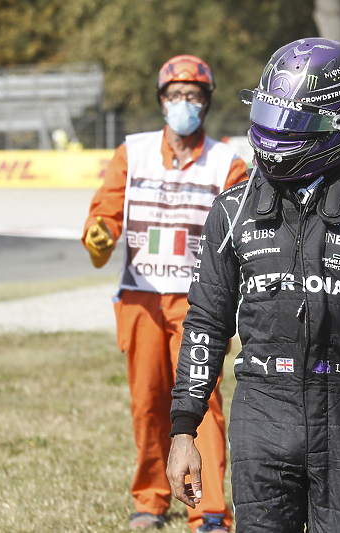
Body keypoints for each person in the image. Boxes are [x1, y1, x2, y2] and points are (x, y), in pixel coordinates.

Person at [166, 38, 340, 533]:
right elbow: (204, 324)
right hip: (260, 419)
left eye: (294, 120)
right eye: (268, 112)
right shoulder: (231, 210)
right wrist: (185, 431)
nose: (275, 132)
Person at [83, 54, 247, 532]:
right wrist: (98, 233)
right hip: (141, 299)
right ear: (161, 101)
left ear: (207, 103)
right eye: (175, 95)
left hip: (201, 303)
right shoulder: (131, 152)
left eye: (193, 96)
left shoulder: (227, 162)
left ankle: (209, 509)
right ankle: (151, 501)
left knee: (204, 401)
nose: (184, 104)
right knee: (149, 402)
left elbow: (239, 235)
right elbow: (105, 215)